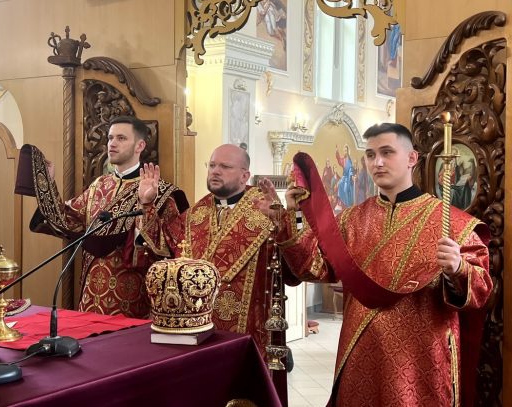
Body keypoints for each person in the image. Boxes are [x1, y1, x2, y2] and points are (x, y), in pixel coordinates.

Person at [274, 123, 492, 406]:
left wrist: (458, 269)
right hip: (360, 350)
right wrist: (293, 216)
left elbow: (482, 289)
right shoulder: (351, 220)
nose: (377, 162)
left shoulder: (453, 223)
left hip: (421, 358)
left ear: (412, 158)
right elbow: (315, 268)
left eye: (387, 152)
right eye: (370, 154)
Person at [138, 144, 314, 402]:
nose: (215, 171)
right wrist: (148, 204)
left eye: (225, 166)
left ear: (245, 175)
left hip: (249, 335)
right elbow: (165, 246)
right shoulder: (196, 213)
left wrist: (284, 221)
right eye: (212, 165)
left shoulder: (266, 208)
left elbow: (297, 268)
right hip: (197, 335)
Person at [25, 115, 188, 318]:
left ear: (140, 146)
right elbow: (69, 221)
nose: (112, 143)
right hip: (91, 293)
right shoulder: (99, 185)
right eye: (110, 138)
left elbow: (171, 248)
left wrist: (147, 205)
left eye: (121, 138)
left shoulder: (162, 192)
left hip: (134, 297)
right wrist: (47, 185)